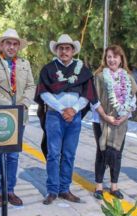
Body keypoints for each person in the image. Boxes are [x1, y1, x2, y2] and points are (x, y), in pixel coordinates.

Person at [34, 34, 98, 205]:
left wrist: (74, 109)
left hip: (74, 117)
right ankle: (52, 190)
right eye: (61, 48)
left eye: (67, 48)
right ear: (56, 50)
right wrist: (62, 109)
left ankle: (65, 189)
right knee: (54, 154)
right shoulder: (48, 69)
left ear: (72, 51)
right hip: (55, 116)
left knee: (69, 154)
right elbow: (44, 93)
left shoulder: (82, 70)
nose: (64, 51)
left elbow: (87, 94)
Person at [0, 28, 35, 207]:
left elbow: (30, 85)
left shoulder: (24, 64)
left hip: (20, 116)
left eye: (15, 44)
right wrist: (9, 108)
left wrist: (23, 105)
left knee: (13, 155)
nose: (12, 47)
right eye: (8, 43)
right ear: (2, 45)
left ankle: (9, 190)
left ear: (18, 47)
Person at [92, 45, 137, 200]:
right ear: (105, 59)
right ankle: (99, 186)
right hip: (102, 121)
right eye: (109, 57)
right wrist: (105, 117)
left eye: (115, 57)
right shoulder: (99, 76)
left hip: (121, 122)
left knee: (117, 154)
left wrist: (124, 117)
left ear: (121, 59)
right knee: (102, 152)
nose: (111, 60)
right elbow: (94, 100)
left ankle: (114, 186)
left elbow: (133, 100)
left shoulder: (127, 77)